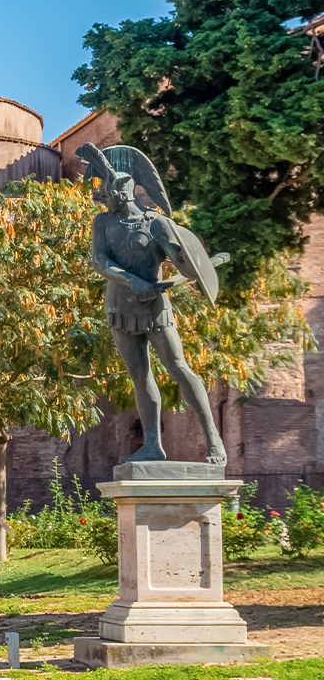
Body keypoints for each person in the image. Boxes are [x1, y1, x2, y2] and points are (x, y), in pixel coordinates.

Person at [77, 142, 227, 465]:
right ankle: (153, 445)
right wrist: (130, 279)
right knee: (140, 375)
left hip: (156, 308)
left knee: (178, 367)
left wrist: (194, 268)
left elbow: (182, 260)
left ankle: (214, 439)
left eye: (107, 191)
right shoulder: (102, 223)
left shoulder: (156, 223)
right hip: (120, 308)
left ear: (124, 191)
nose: (102, 197)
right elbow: (99, 261)